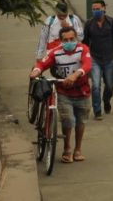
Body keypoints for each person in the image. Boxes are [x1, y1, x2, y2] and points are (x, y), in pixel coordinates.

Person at [30, 26, 92, 163]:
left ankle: (78, 149)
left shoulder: (83, 49)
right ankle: (67, 148)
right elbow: (42, 63)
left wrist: (75, 75)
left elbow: (87, 65)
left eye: (72, 39)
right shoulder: (55, 52)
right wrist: (36, 71)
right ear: (61, 41)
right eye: (65, 40)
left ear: (76, 38)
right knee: (68, 120)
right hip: (64, 92)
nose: (69, 42)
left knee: (81, 122)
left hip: (82, 91)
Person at [83, 0, 113, 120]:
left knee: (110, 85)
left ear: (104, 9)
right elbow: (85, 43)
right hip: (95, 58)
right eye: (93, 9)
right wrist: (84, 57)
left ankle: (106, 100)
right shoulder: (89, 24)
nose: (96, 11)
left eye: (98, 9)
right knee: (95, 85)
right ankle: (97, 111)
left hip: (110, 59)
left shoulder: (112, 23)